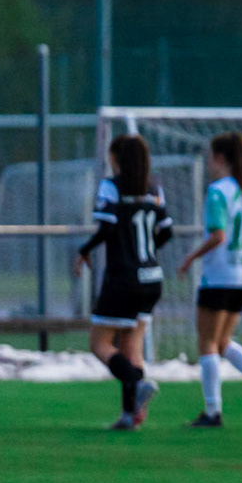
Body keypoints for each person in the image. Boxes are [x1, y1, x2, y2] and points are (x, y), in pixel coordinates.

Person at [177, 132, 242, 427]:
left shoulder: (217, 191)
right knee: (222, 341)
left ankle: (212, 411)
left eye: (211, 157)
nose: (209, 163)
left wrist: (190, 258)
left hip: (219, 274)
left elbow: (218, 235)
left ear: (220, 158)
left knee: (207, 342)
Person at [74, 136, 173, 429]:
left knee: (99, 343)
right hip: (151, 277)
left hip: (123, 277)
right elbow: (166, 232)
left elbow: (108, 226)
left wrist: (84, 249)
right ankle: (131, 414)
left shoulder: (112, 186)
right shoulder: (154, 188)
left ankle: (135, 381)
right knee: (132, 345)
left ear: (117, 158)